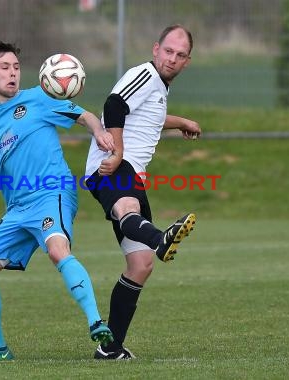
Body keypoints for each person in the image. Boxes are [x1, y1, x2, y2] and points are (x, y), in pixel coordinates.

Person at [0, 41, 115, 361]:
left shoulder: (39, 98)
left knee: (58, 250)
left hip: (52, 193)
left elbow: (85, 115)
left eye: (16, 67)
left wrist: (99, 132)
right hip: (17, 209)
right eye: (4, 68)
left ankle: (96, 322)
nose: (12, 73)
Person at [84, 24, 202, 360]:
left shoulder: (158, 88)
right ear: (155, 49)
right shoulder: (147, 75)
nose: (172, 58)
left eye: (179, 55)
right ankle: (162, 239)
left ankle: (110, 348)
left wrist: (182, 122)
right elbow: (115, 104)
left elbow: (149, 116)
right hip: (113, 165)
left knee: (140, 264)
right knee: (127, 211)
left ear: (187, 61)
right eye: (168, 51)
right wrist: (117, 153)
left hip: (131, 171)